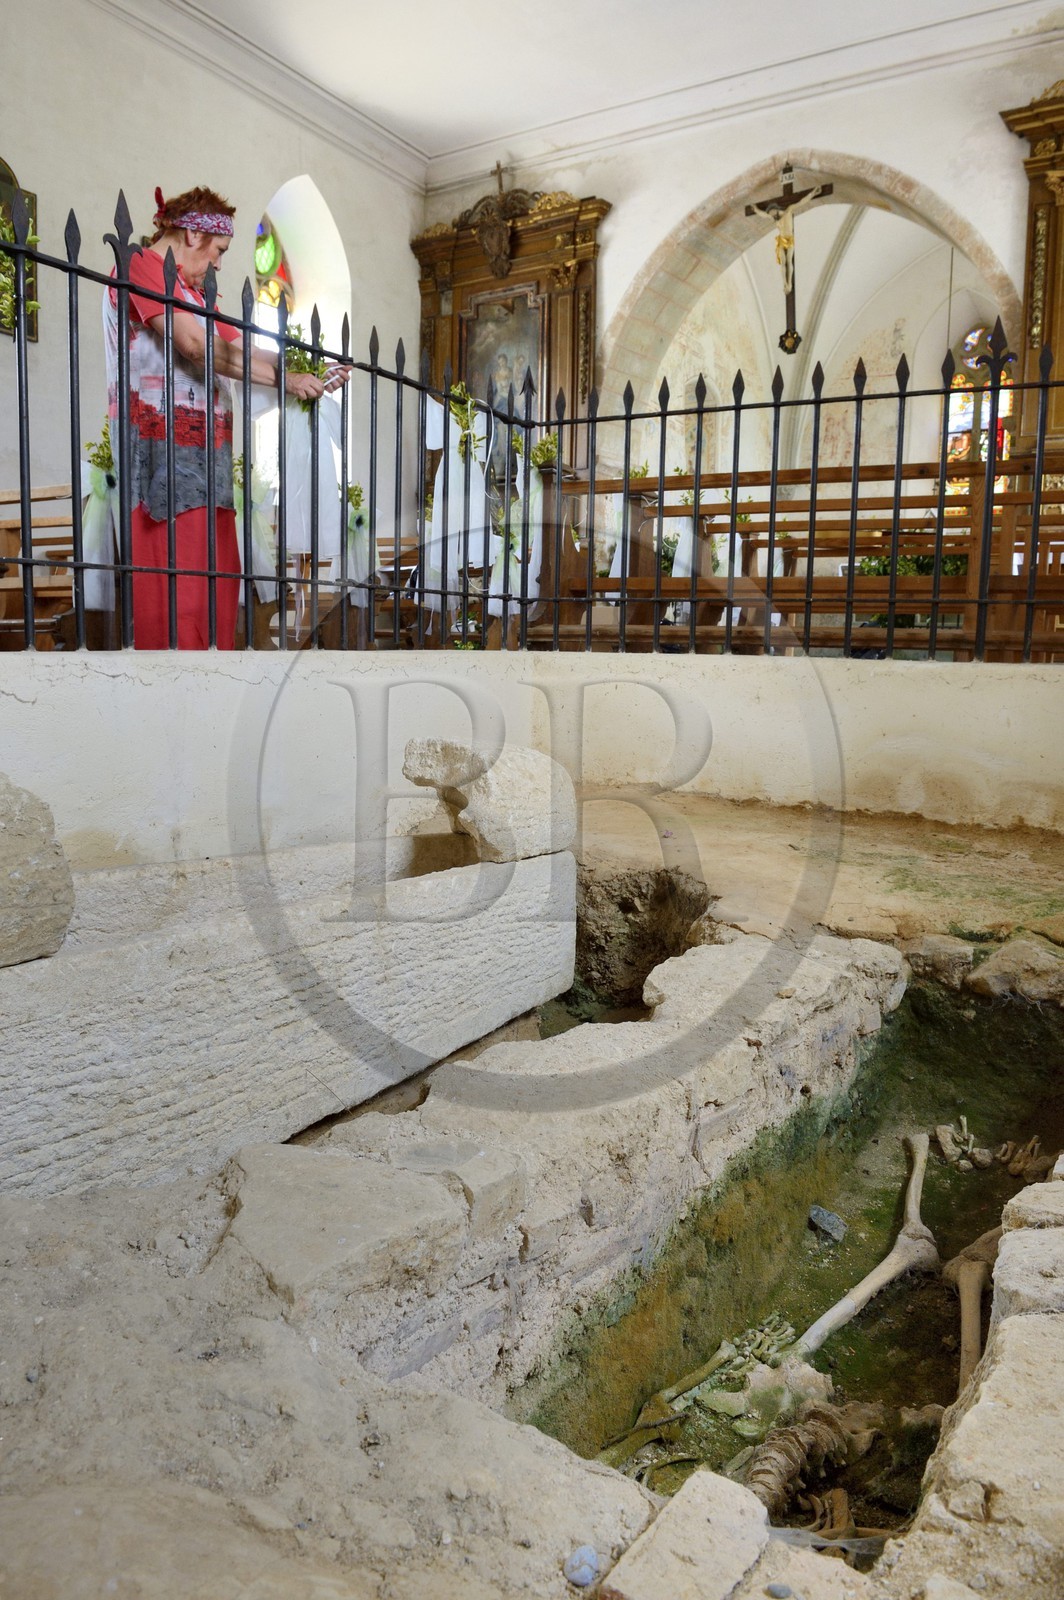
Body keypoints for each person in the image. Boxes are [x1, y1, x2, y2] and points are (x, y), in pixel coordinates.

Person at [104, 185, 347, 648]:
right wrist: (288, 381)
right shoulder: (140, 266)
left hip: (205, 454)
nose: (219, 264)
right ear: (193, 234)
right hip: (156, 452)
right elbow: (196, 348)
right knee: (174, 590)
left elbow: (239, 347)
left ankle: (212, 696)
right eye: (219, 250)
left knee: (215, 585)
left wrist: (310, 370)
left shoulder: (193, 293)